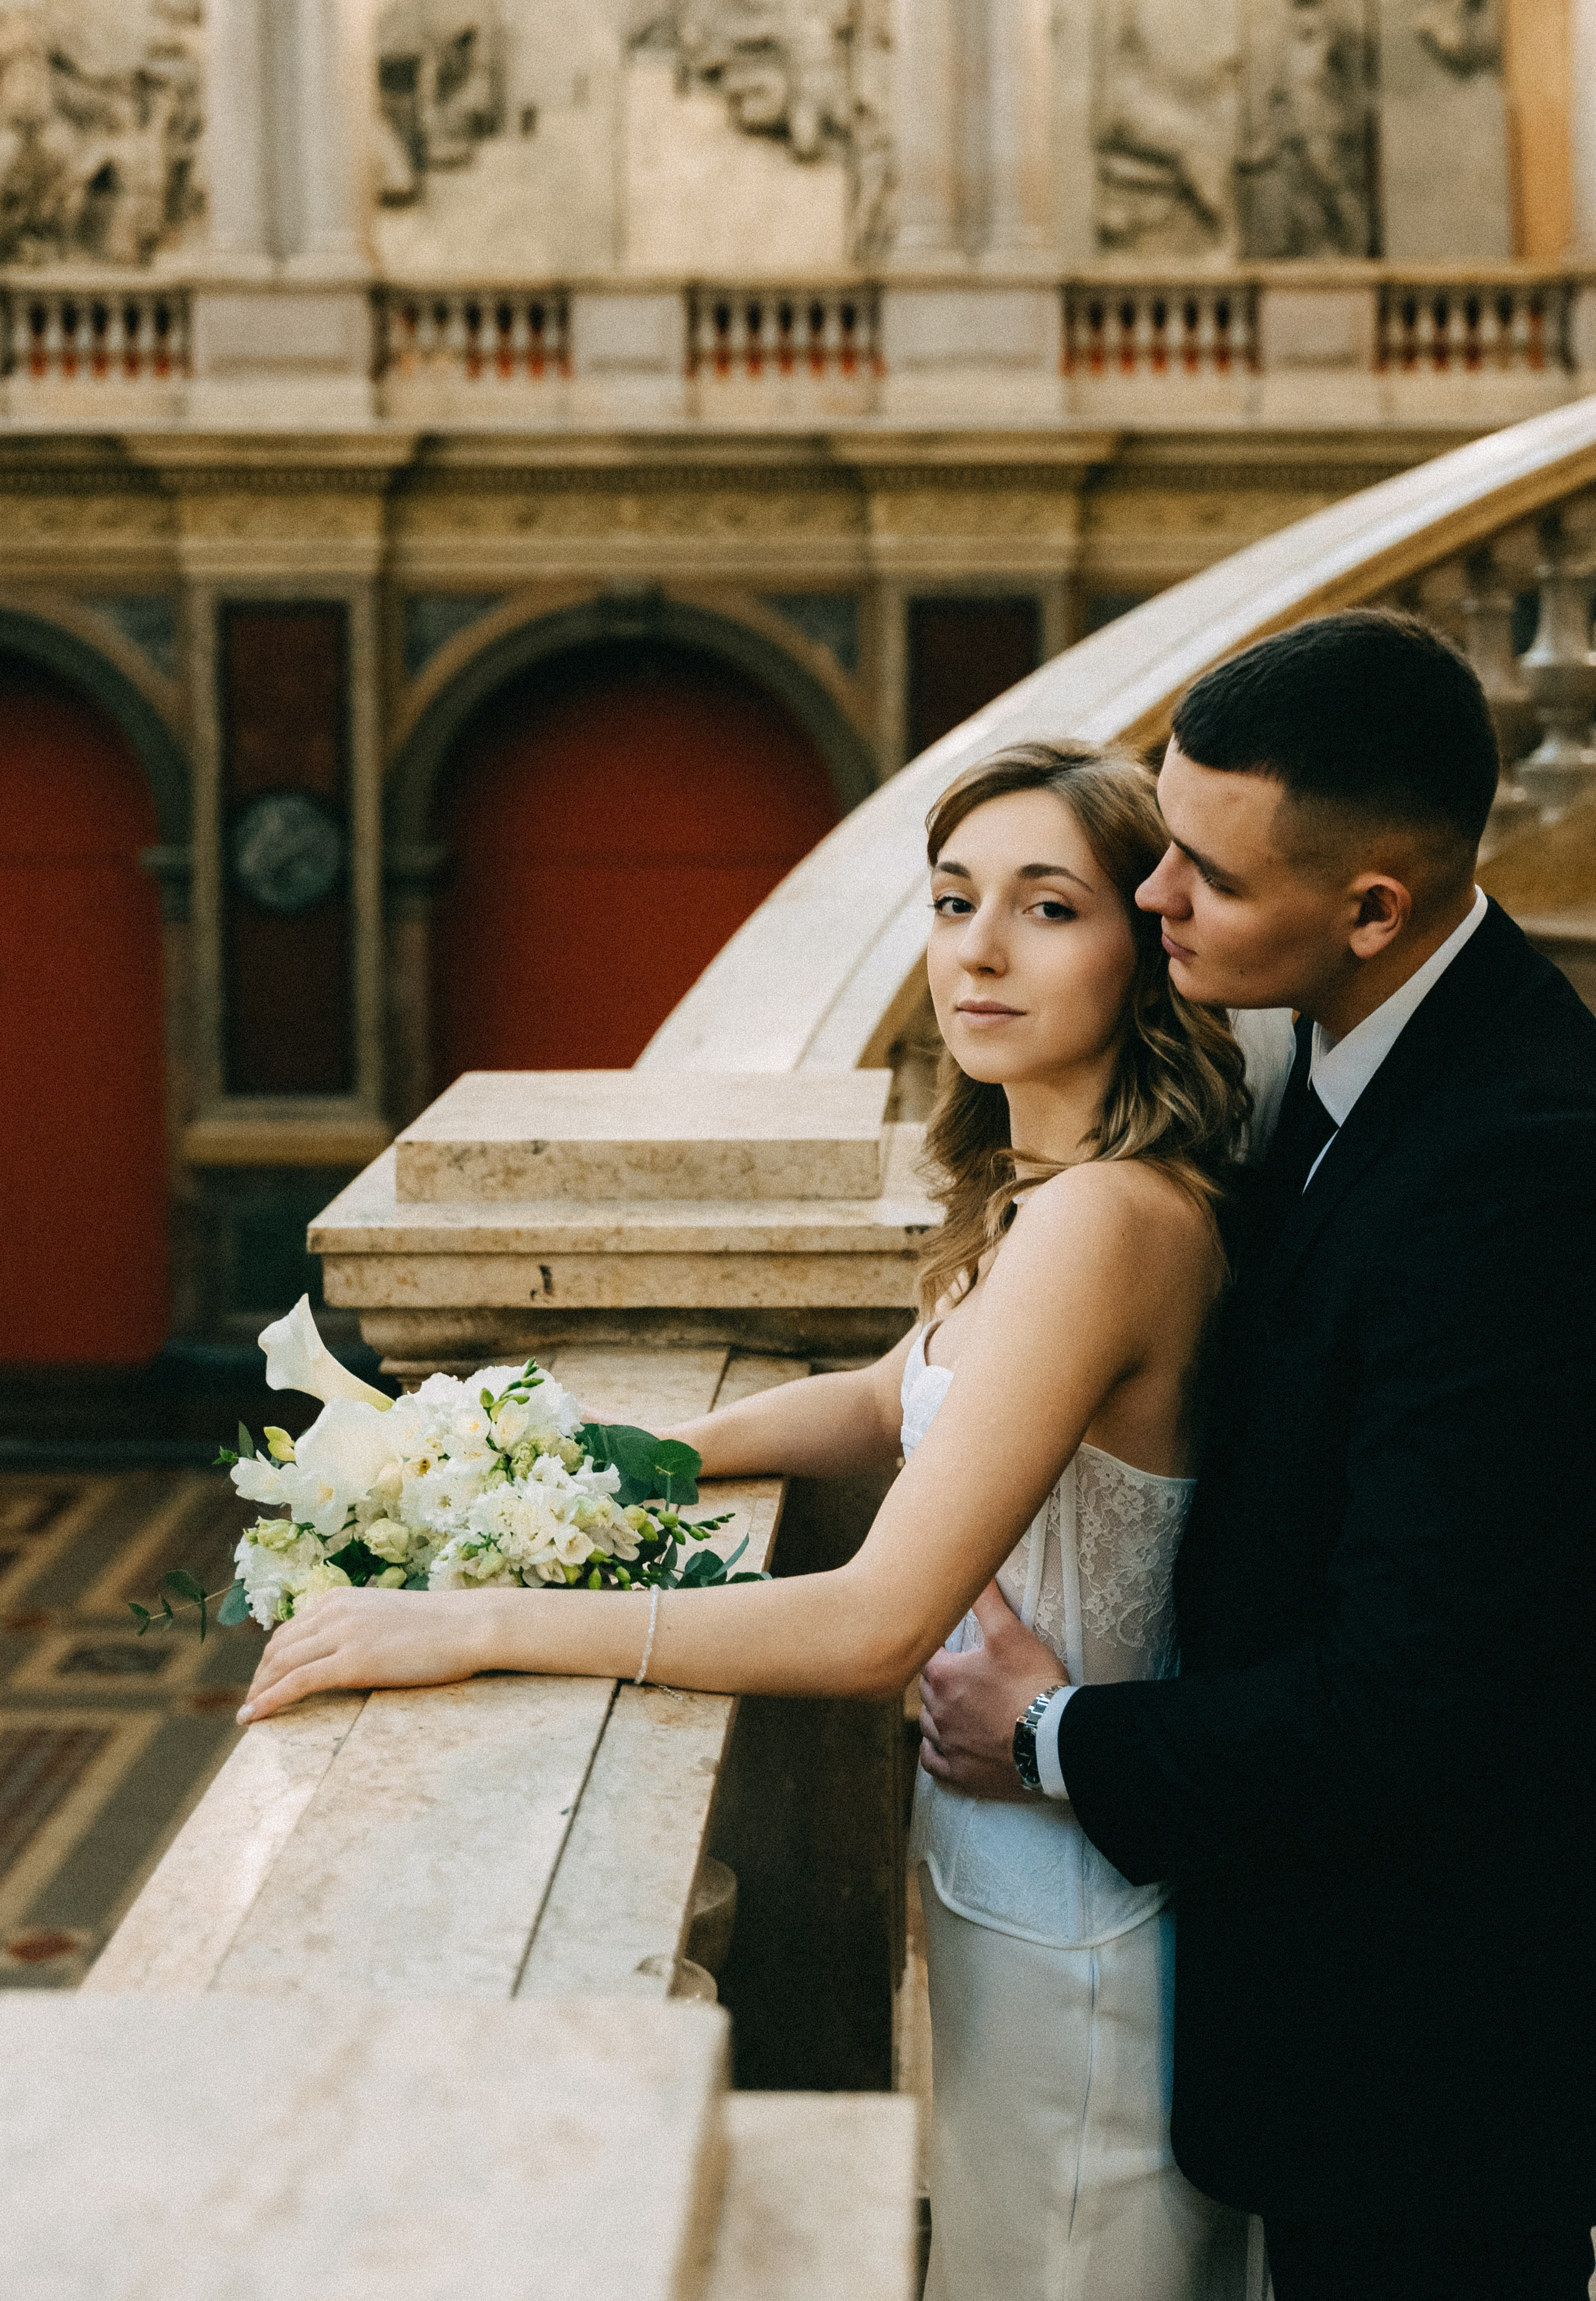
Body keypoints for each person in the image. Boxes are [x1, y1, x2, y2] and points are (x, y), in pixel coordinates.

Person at [239, 737, 1289, 2300]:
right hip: (1014, 1886)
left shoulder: (1111, 1222)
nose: (977, 950)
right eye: (950, 900)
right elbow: (892, 1394)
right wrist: (612, 1462)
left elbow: (871, 1627)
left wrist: (471, 1620)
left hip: (1081, 1938)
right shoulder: (1054, 1190)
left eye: (1047, 907)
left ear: (1145, 949)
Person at [916, 613, 1596, 2300]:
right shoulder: (1317, 1041)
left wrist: (1056, 1728)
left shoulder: (1519, 1160)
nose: (1154, 903)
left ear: (1374, 906)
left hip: (1434, 2043)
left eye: (1200, 878)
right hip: (1284, 1976)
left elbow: (1419, 1693)